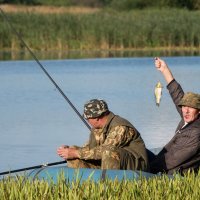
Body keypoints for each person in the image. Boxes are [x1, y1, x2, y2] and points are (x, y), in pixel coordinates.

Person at [57, 99, 149, 171]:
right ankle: (84, 185)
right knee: (74, 152)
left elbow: (105, 150)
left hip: (136, 166)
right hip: (107, 163)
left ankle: (111, 184)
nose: (87, 121)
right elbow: (89, 149)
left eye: (87, 118)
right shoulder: (97, 129)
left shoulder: (120, 127)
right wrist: (69, 151)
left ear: (97, 117)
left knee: (108, 151)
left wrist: (76, 153)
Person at [150, 57, 200, 175]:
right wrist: (164, 69)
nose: (186, 111)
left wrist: (147, 167)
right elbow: (177, 94)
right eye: (183, 106)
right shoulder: (188, 118)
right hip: (165, 163)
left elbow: (173, 159)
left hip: (174, 174)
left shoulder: (196, 133)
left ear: (198, 111)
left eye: (190, 107)